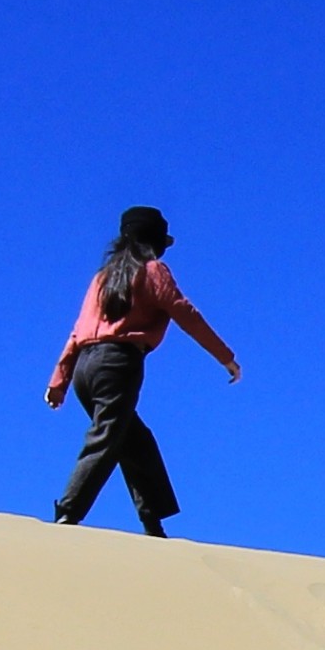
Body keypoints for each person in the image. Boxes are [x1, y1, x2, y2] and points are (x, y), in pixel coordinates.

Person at [46, 206, 239, 536]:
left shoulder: (102, 277)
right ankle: (68, 513)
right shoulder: (152, 271)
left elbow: (77, 331)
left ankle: (153, 524)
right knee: (107, 438)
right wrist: (226, 357)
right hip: (118, 364)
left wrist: (60, 380)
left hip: (85, 370)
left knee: (135, 440)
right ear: (154, 242)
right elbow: (185, 313)